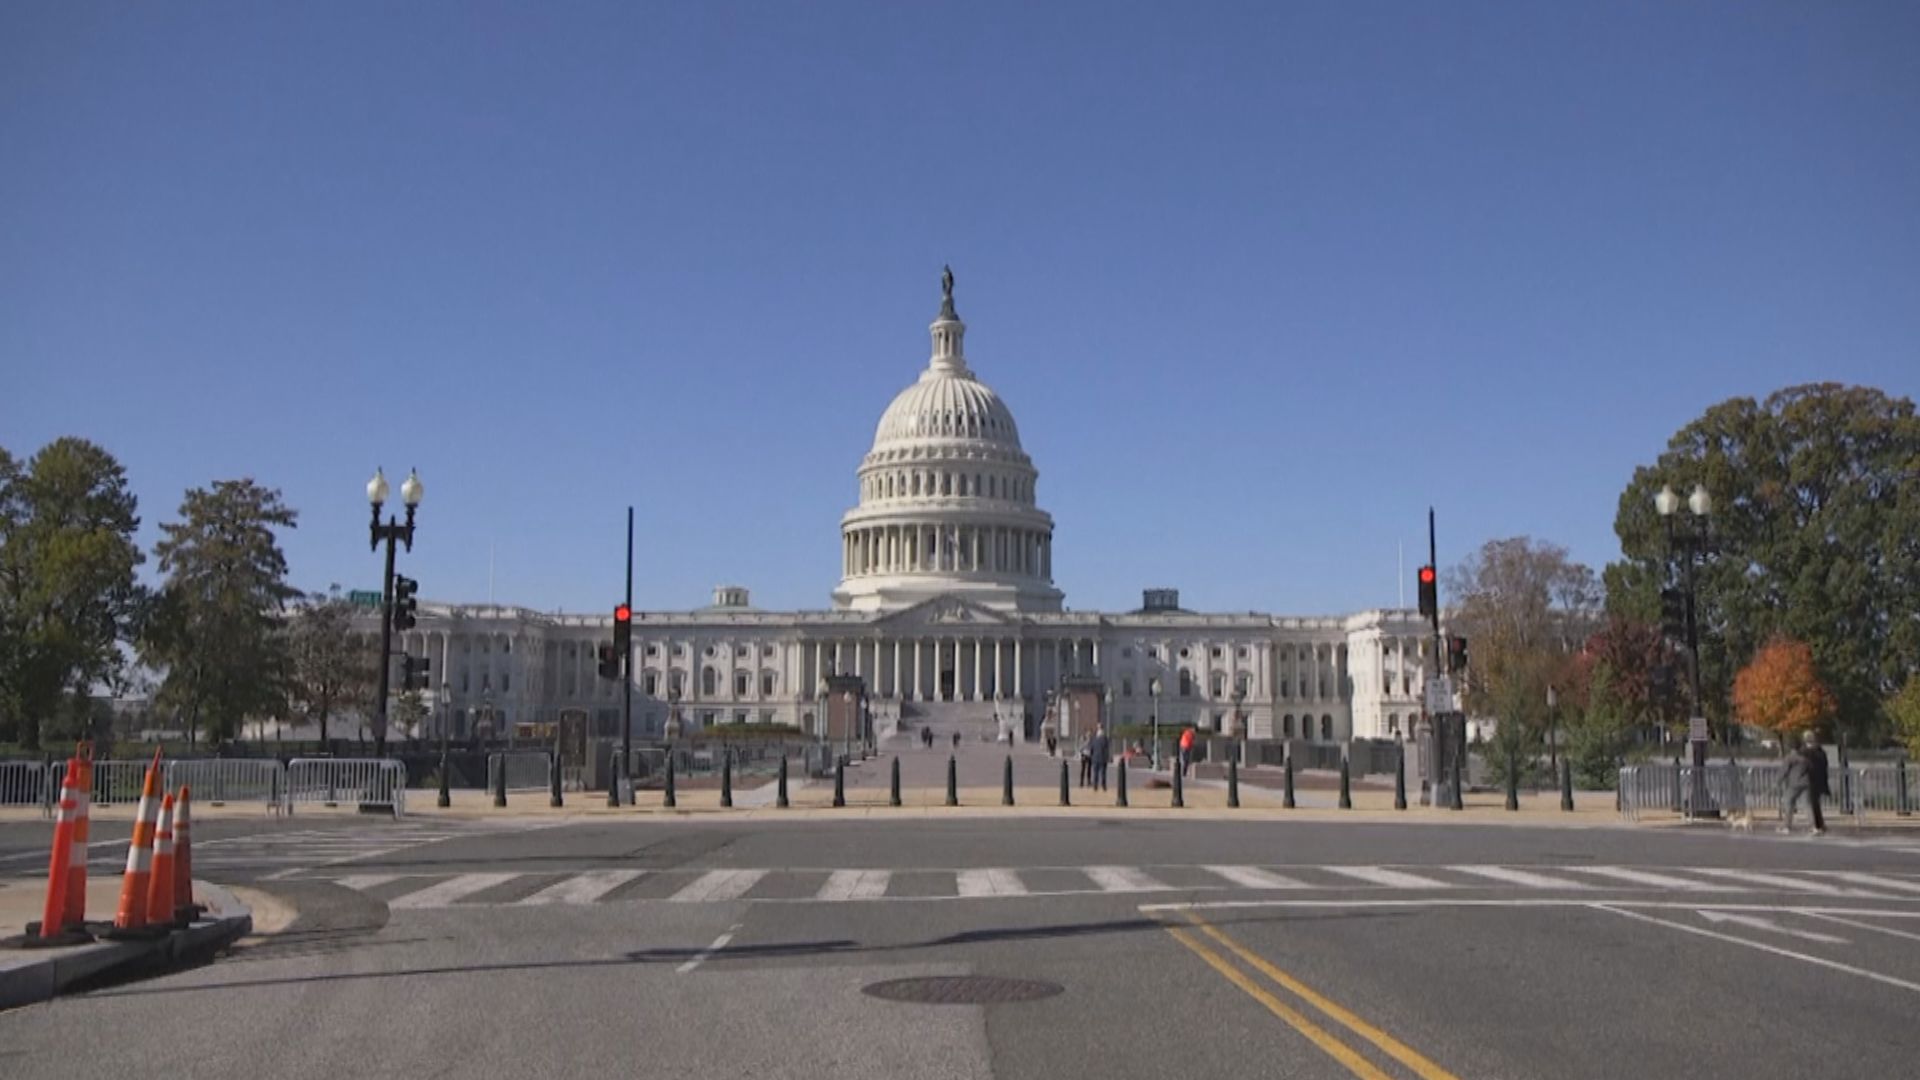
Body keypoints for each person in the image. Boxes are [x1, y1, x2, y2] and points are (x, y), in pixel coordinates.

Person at [1781, 740, 1813, 834]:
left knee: (1788, 802)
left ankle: (1787, 826)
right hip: (1806, 783)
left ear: (1791, 748)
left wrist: (1778, 781)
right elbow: (1811, 768)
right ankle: (1813, 826)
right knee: (1807, 805)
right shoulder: (1805, 759)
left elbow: (1784, 770)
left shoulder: (1790, 758)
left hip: (1794, 783)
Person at [1803, 732, 1829, 835]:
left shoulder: (1808, 752)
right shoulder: (1821, 752)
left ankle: (1816, 825)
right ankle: (1820, 824)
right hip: (1819, 780)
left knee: (1812, 804)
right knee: (1815, 803)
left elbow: (1806, 765)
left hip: (1812, 780)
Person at [1089, 725, 1110, 791]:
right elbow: (1107, 749)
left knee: (1095, 773)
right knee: (1103, 773)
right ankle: (1103, 786)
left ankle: (1095, 786)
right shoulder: (1105, 739)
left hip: (1095, 758)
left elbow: (1091, 749)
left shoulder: (1094, 739)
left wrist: (1092, 756)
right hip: (1103, 759)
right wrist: (1107, 757)